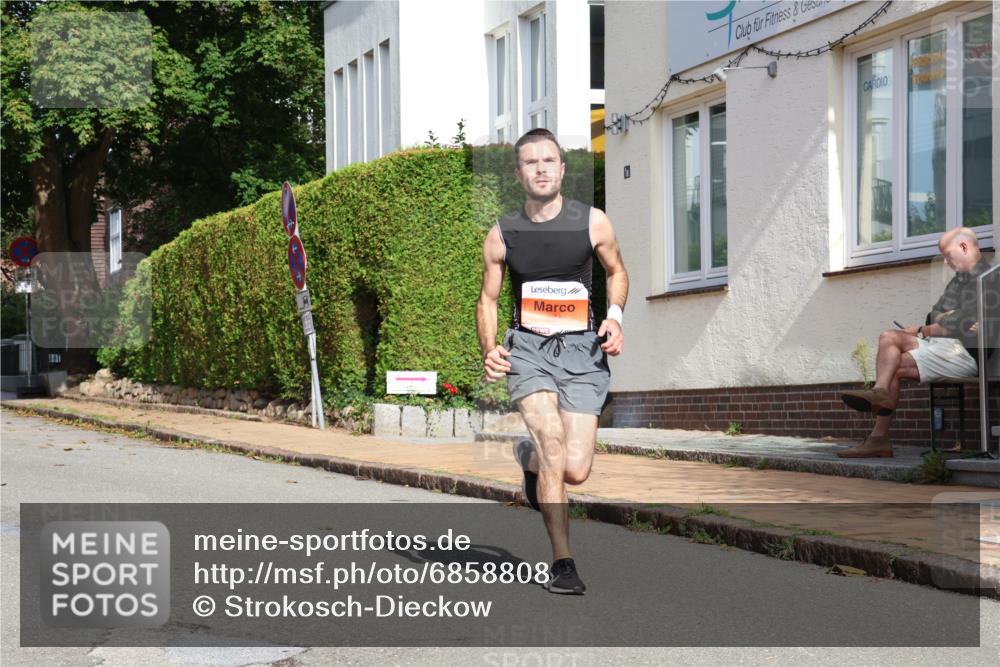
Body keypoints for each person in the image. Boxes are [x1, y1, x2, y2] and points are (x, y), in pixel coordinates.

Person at [476, 128, 629, 595]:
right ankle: (564, 563)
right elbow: (488, 299)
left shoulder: (593, 222)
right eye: (530, 162)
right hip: (529, 351)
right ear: (518, 173)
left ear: (562, 169)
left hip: (583, 352)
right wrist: (489, 348)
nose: (541, 168)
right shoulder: (503, 234)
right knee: (551, 443)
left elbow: (616, 272)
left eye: (549, 161)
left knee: (575, 468)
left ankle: (527, 460)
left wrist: (616, 318)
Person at [839, 227, 991, 457]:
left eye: (948, 256)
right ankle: (878, 431)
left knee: (892, 352)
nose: (947, 262)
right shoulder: (958, 282)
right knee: (889, 343)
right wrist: (948, 320)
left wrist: (937, 324)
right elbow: (935, 316)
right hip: (944, 347)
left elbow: (959, 322)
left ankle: (878, 414)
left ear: (964, 247)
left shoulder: (989, 279)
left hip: (967, 356)